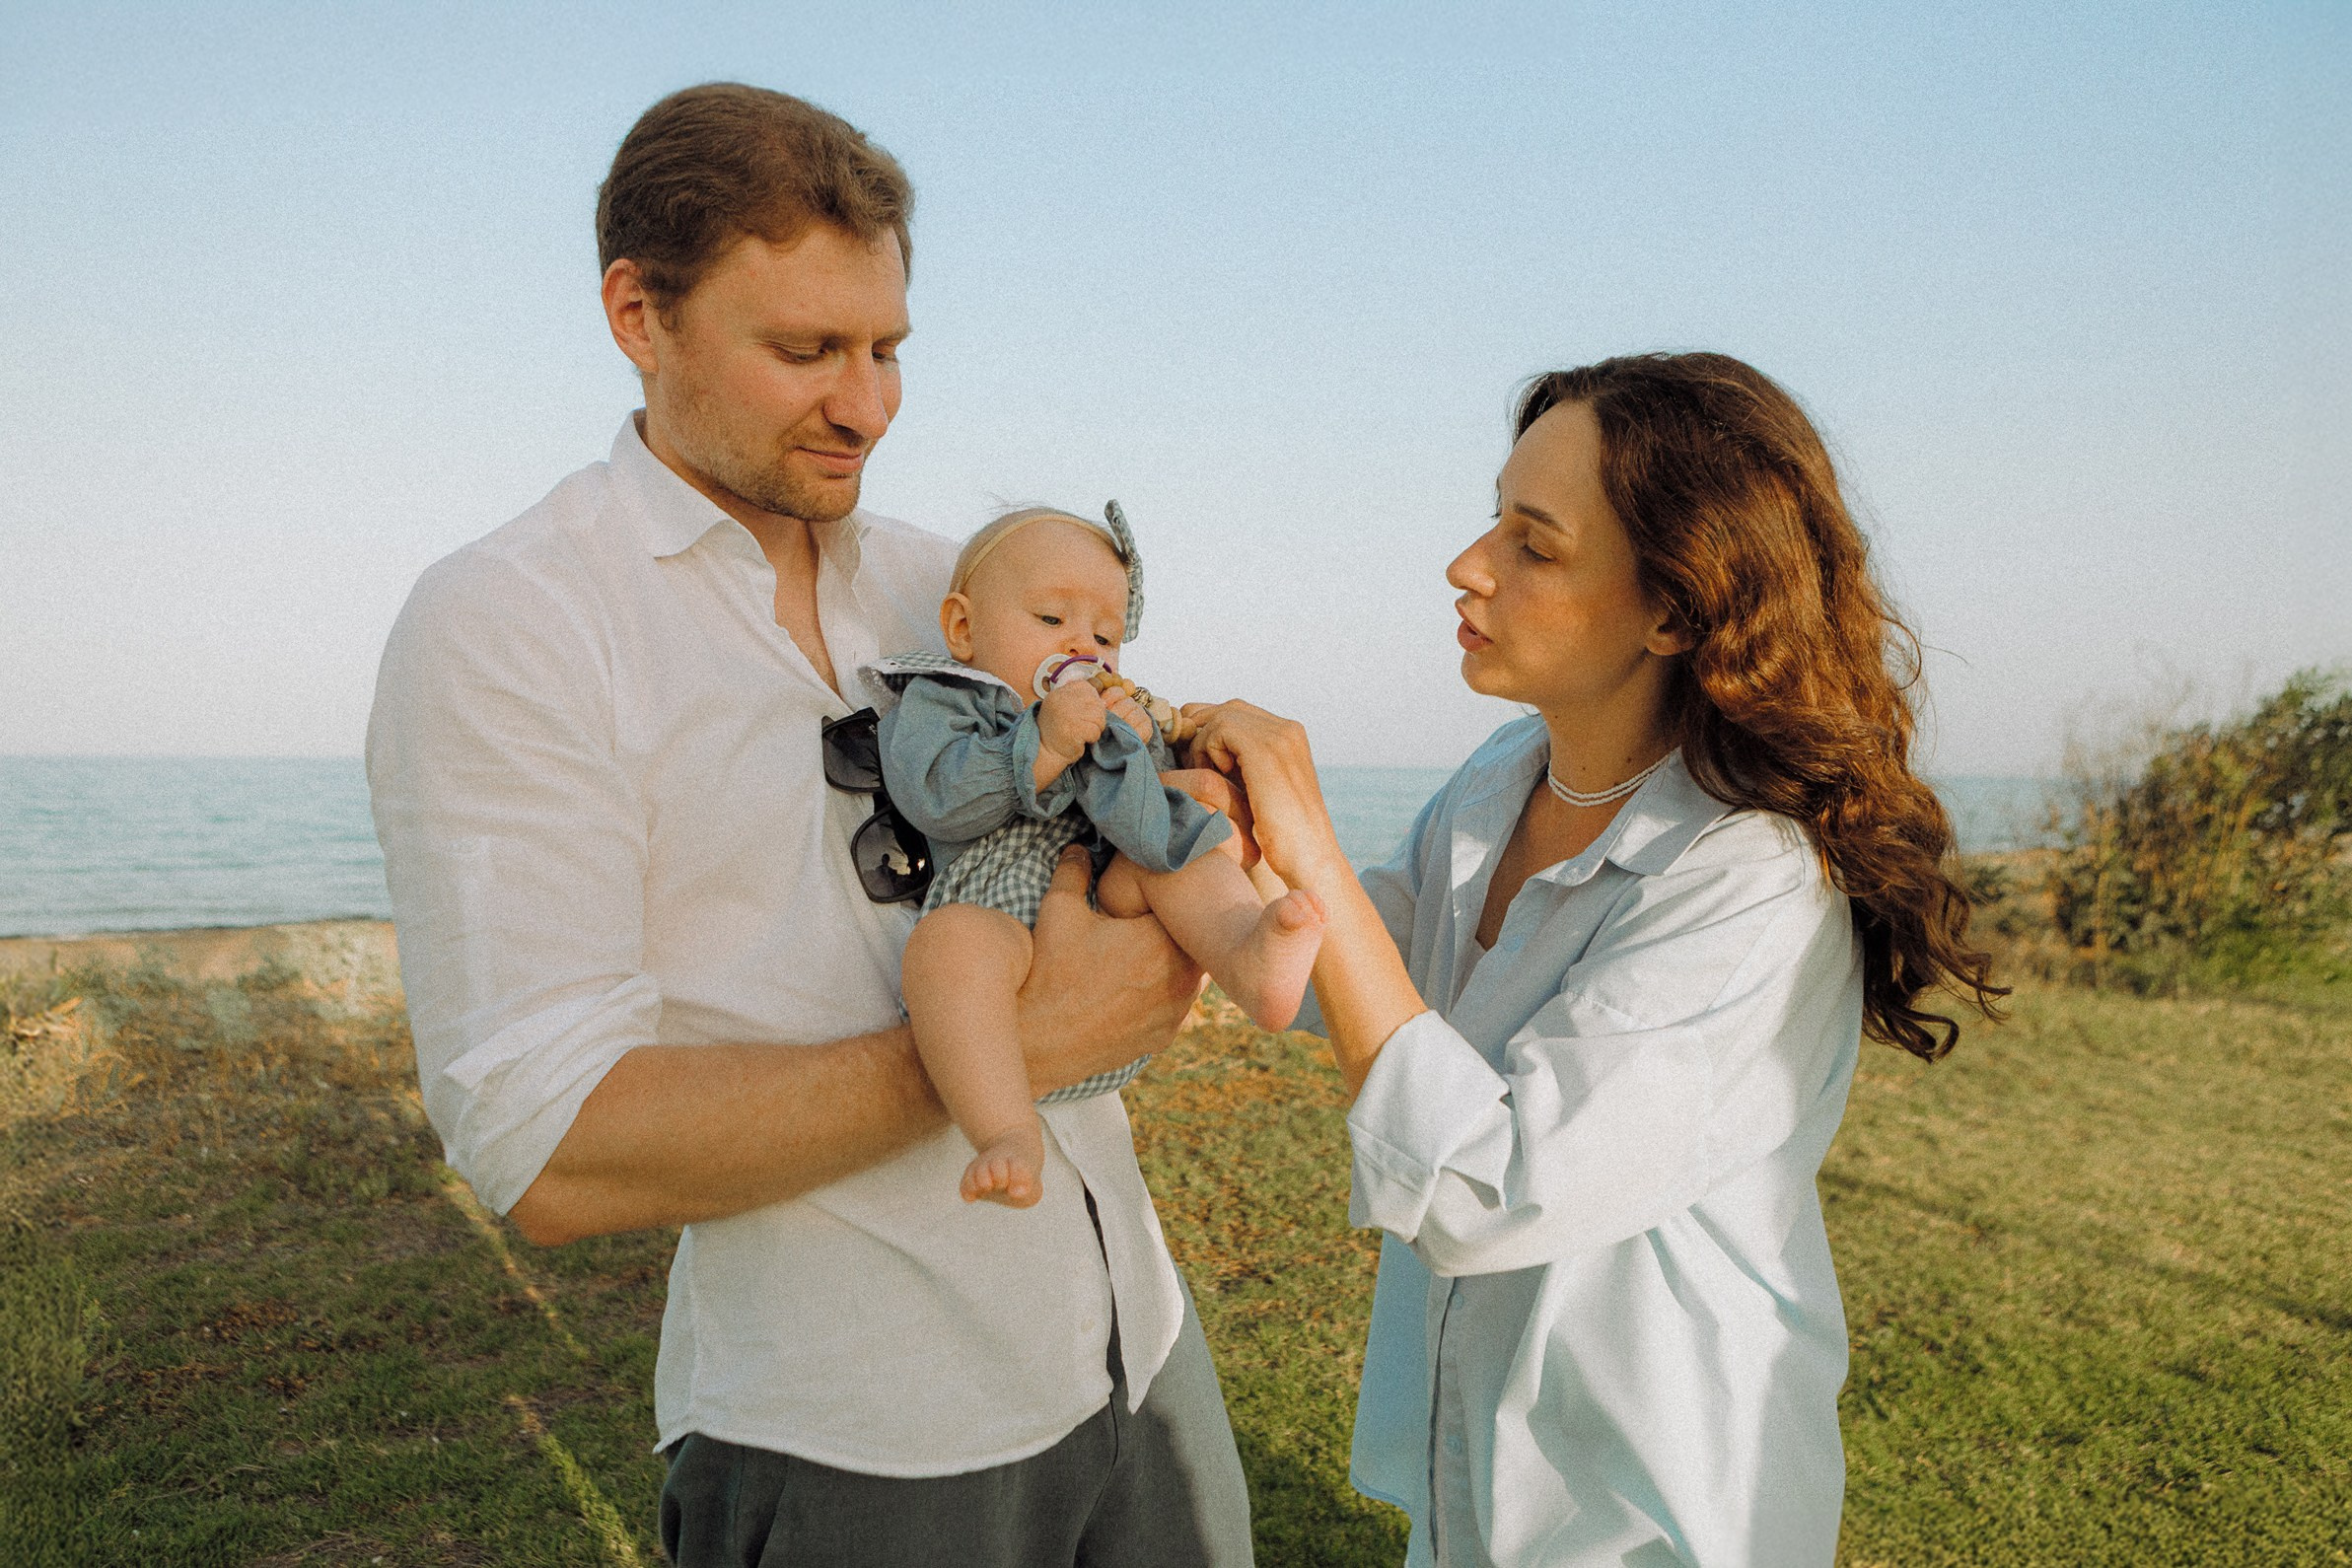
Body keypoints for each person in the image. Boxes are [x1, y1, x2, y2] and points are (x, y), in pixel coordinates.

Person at [366, 84, 1253, 1567]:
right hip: (862, 1430)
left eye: (886, 347)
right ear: (637, 314)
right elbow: (549, 1145)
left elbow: (1113, 777)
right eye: (804, 351)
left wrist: (1207, 758)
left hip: (1138, 1347)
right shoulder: (512, 622)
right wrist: (1005, 1046)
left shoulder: (945, 581)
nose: (868, 406)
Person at [1183, 352, 2003, 1567]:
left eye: (1535, 544)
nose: (1469, 565)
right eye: (1493, 520)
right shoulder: (1502, 775)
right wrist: (1195, 826)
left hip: (1653, 1503)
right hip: (1480, 1482)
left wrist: (1307, 834)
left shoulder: (1750, 876)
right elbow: (1354, 968)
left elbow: (1491, 1186)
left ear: (1671, 610)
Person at [869, 503, 1326, 1207]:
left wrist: (1145, 749)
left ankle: (1248, 957)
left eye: (1105, 636)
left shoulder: (1110, 715)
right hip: (998, 930)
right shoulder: (945, 701)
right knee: (946, 946)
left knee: (1174, 850)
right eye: (1052, 619)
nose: (1083, 645)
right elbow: (935, 798)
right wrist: (1044, 745)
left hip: (1103, 905)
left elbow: (1147, 815)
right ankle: (1004, 1130)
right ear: (963, 628)